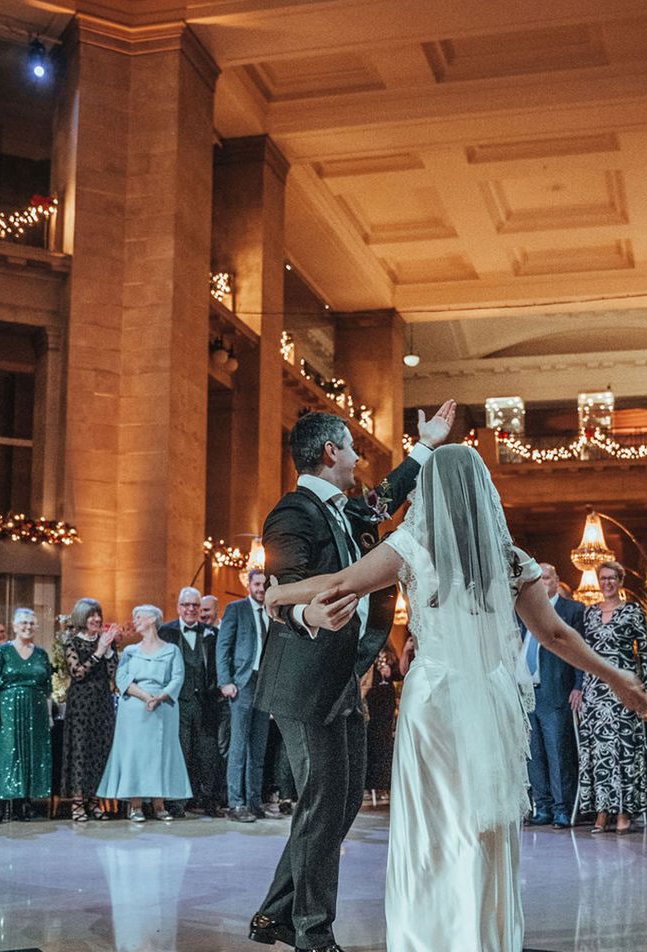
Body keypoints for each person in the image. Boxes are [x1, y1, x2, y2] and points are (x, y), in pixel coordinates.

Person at [264, 444, 647, 952]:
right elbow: (556, 635)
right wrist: (617, 676)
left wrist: (278, 595)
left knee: (431, 827)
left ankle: (427, 937)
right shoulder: (511, 559)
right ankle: (481, 935)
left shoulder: (412, 544)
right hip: (490, 695)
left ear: (431, 490)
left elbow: (341, 583)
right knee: (483, 821)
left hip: (434, 700)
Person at [249, 401, 455, 952]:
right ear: (329, 451)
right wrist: (305, 612)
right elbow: (282, 587)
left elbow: (384, 500)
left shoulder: (344, 510)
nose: (360, 456)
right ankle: (312, 933)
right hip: (303, 681)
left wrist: (427, 445)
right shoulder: (292, 514)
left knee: (338, 806)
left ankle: (274, 914)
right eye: (353, 446)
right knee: (323, 802)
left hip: (343, 677)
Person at [574, 560, 647, 835]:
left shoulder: (632, 610)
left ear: (620, 581)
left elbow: (643, 650)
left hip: (623, 687)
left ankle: (623, 812)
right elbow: (582, 653)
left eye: (612, 578)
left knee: (624, 750)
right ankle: (601, 812)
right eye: (603, 578)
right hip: (595, 689)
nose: (607, 582)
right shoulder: (589, 613)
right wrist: (581, 689)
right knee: (598, 752)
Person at [97, 605, 191, 822]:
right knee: (134, 755)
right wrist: (145, 696)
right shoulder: (131, 652)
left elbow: (177, 678)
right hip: (135, 708)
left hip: (163, 707)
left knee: (161, 754)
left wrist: (160, 697)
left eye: (138, 617)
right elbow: (122, 680)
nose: (135, 620)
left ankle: (159, 805)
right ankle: (135, 806)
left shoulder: (171, 650)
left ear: (152, 620)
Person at [523, 562, 584, 829]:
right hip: (527, 691)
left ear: (556, 580)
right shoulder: (523, 611)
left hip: (556, 689)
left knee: (559, 752)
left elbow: (581, 650)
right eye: (536, 579)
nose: (541, 583)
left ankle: (563, 808)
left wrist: (579, 685)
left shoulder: (571, 610)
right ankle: (543, 807)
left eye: (545, 578)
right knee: (534, 754)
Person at [217, 569, 277, 823]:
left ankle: (254, 802)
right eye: (257, 584)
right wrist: (225, 681)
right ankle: (236, 803)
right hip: (242, 683)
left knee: (258, 748)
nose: (261, 588)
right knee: (239, 746)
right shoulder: (236, 609)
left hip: (265, 684)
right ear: (249, 585)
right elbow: (223, 646)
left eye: (264, 584)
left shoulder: (274, 613)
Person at [0, 609, 53, 823]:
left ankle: (24, 804)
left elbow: (47, 688)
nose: (27, 627)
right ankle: (0, 805)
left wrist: (49, 715)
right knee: (6, 754)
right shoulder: (2, 652)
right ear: (14, 626)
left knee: (31, 754)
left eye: (32, 623)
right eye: (23, 623)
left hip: (36, 709)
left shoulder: (41, 653)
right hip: (8, 708)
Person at [159, 586, 221, 817]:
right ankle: (177, 803)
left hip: (206, 702)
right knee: (180, 752)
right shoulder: (166, 632)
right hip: (177, 703)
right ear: (178, 607)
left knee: (207, 754)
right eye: (186, 605)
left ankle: (208, 800)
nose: (191, 609)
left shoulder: (211, 633)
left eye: (195, 605)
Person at [61, 597, 119, 822]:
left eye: (98, 615)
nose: (96, 619)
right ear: (82, 618)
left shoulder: (106, 642)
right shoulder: (72, 642)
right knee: (80, 751)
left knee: (100, 750)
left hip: (102, 701)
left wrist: (108, 650)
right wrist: (99, 651)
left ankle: (95, 800)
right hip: (81, 704)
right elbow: (78, 672)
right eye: (91, 615)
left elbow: (113, 673)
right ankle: (77, 802)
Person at [364, 646, 398, 798]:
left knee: (385, 741)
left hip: (386, 699)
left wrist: (389, 674)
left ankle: (384, 783)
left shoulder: (390, 654)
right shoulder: (367, 648)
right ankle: (371, 784)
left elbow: (399, 674)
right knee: (371, 740)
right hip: (373, 697)